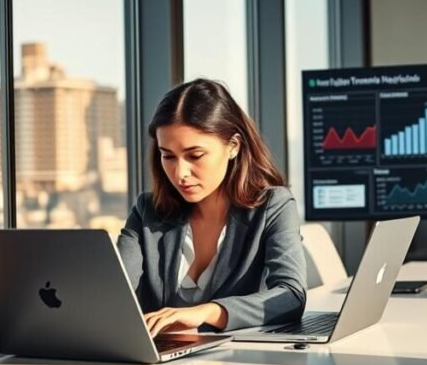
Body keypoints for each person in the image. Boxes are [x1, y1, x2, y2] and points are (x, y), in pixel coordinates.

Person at [117, 79, 306, 336]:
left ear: (233, 146)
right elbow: (113, 294)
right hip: (157, 358)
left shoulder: (273, 206)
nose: (180, 173)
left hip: (239, 358)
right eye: (168, 156)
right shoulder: (147, 211)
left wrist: (207, 312)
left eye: (195, 156)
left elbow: (291, 295)